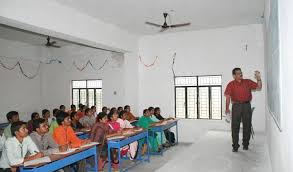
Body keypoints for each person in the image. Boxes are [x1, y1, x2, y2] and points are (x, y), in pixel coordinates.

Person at [225, 68, 262, 152]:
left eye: (241, 72)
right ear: (234, 75)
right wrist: (227, 109)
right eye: (238, 73)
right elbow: (227, 97)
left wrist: (259, 79)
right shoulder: (231, 84)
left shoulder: (248, 82)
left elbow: (259, 87)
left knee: (247, 125)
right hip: (236, 106)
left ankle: (245, 144)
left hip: (246, 106)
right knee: (235, 127)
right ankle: (235, 146)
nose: (240, 74)